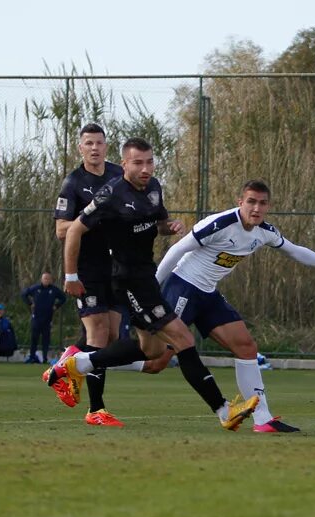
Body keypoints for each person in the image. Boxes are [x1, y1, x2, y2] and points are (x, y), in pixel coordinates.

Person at [46, 137, 258, 431]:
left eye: (149, 162)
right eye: (138, 163)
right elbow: (73, 231)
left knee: (152, 351)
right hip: (127, 279)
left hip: (146, 275)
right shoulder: (111, 194)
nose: (145, 168)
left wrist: (168, 227)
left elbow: (158, 223)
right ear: (124, 165)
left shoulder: (154, 187)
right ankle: (224, 410)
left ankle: (78, 364)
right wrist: (71, 276)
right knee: (183, 338)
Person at [154, 180, 315, 433]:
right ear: (240, 202)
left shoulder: (265, 232)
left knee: (246, 346)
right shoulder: (219, 223)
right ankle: (92, 359)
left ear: (268, 206)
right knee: (157, 359)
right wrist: (152, 287)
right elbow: (177, 249)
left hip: (208, 294)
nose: (256, 207)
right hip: (182, 286)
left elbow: (296, 251)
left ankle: (263, 420)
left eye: (262, 203)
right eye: (251, 201)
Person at [51, 123, 168, 427]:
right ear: (81, 148)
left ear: (106, 147)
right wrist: (97, 217)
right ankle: (95, 409)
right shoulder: (73, 183)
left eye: (99, 143)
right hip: (88, 267)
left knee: (113, 335)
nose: (94, 148)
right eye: (88, 143)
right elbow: (62, 230)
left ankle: (65, 364)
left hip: (118, 267)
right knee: (99, 335)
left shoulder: (121, 174)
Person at [20, 272, 67, 364]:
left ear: (50, 280)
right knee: (34, 338)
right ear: (41, 279)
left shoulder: (54, 290)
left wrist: (56, 306)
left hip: (48, 318)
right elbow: (24, 294)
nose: (46, 280)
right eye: (45, 278)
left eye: (48, 279)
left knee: (46, 339)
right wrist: (30, 304)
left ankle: (45, 358)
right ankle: (32, 357)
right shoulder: (35, 288)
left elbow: (63, 298)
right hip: (36, 317)